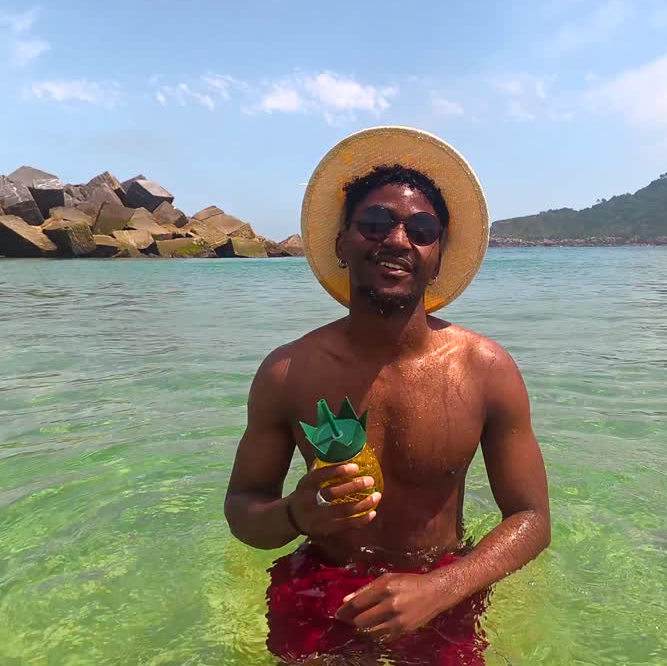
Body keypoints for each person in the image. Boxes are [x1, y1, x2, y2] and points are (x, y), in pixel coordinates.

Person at [224, 126, 550, 665]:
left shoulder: (486, 370)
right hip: (319, 583)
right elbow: (242, 510)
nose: (398, 240)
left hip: (442, 585)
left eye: (422, 229)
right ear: (341, 244)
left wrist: (443, 587)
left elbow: (532, 519)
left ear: (439, 256)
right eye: (376, 223)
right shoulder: (288, 372)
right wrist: (295, 515)